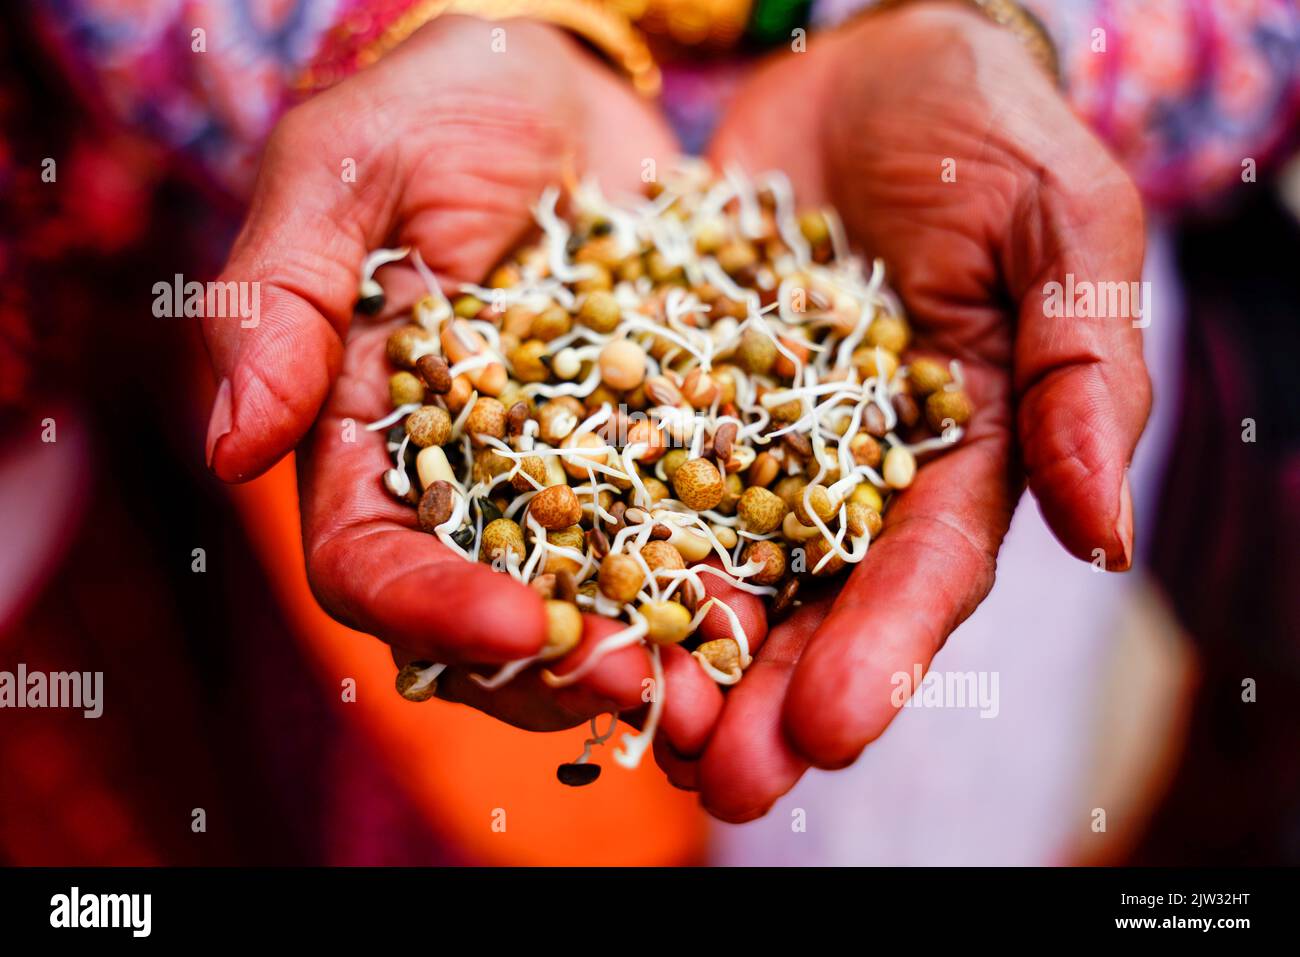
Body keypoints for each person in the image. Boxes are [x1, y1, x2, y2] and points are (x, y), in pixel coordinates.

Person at [2, 0, 1295, 863]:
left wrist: (1018, 41)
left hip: (947, 279)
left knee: (905, 794)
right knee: (353, 738)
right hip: (361, 239)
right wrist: (381, 36)